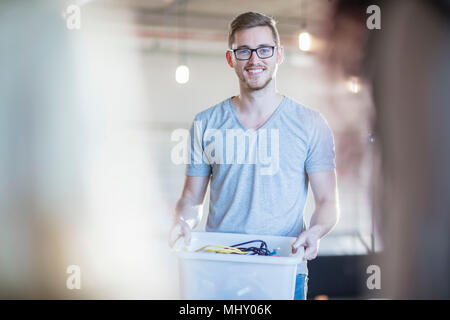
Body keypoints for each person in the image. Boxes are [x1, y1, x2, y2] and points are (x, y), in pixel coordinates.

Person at [169, 11, 340, 300]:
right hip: (218, 270)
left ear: (279, 55)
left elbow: (327, 201)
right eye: (244, 51)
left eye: (264, 49)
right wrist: (182, 223)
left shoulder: (310, 123)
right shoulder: (206, 123)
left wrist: (317, 230)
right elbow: (191, 199)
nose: (254, 59)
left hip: (283, 269)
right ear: (230, 58)